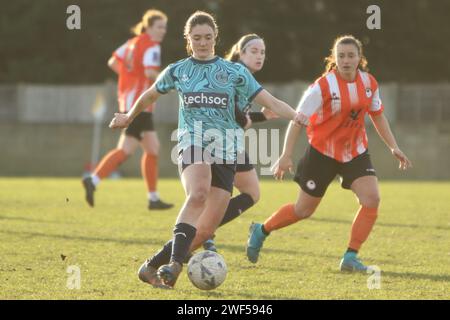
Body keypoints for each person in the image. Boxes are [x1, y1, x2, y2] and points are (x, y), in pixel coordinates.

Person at [109, 11, 304, 288]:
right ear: (188, 39)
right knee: (198, 193)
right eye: (197, 38)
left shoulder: (235, 72)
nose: (203, 43)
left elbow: (269, 100)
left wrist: (296, 115)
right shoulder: (178, 70)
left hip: (227, 152)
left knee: (206, 229)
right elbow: (151, 93)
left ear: (216, 38)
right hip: (192, 142)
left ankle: (151, 266)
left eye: (208, 37)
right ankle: (175, 264)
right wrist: (129, 116)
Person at [246, 35, 412, 272]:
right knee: (303, 210)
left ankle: (350, 257)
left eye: (351, 55)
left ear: (359, 58)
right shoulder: (322, 86)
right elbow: (297, 121)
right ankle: (261, 230)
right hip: (321, 153)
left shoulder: (369, 83)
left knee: (372, 199)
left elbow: (377, 115)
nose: (346, 60)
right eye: (341, 56)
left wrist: (393, 146)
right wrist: (285, 155)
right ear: (334, 59)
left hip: (355, 152)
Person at [82, 9, 173, 210]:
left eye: (165, 27)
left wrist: (129, 76)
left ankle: (152, 198)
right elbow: (150, 71)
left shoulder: (132, 43)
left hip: (128, 100)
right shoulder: (152, 46)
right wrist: (169, 81)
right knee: (128, 150)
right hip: (140, 104)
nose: (163, 31)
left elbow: (113, 62)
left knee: (150, 149)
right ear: (148, 27)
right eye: (159, 27)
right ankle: (94, 180)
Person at [202, 33, 278, 252]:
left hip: (230, 142)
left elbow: (240, 118)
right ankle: (201, 233)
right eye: (253, 51)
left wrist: (261, 117)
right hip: (214, 140)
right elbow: (224, 102)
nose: (259, 56)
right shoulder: (232, 72)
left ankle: (204, 232)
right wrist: (242, 118)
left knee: (251, 193)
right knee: (217, 195)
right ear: (241, 52)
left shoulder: (245, 77)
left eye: (262, 52)